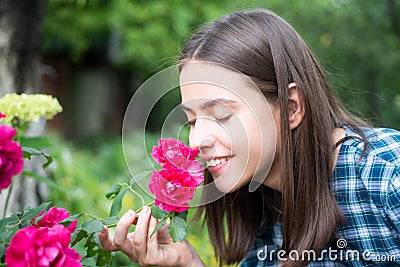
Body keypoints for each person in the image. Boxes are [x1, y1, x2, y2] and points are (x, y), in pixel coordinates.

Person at [98, 8, 400, 266]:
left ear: (292, 107)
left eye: (222, 115)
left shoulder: (388, 176)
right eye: (191, 121)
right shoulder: (260, 209)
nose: (196, 141)